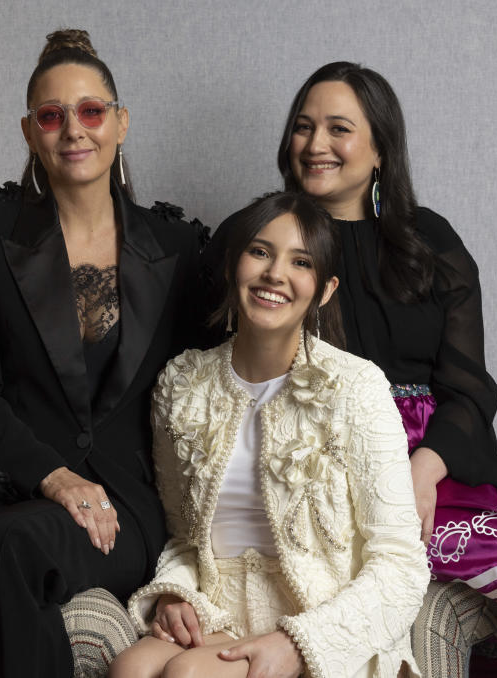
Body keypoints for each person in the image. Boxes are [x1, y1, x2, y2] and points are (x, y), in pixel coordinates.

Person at [205, 62, 497, 678]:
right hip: (310, 457)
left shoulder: (429, 242)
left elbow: (470, 390)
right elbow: (211, 378)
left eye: (339, 128)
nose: (315, 144)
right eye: (303, 127)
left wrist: (425, 469)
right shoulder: (254, 239)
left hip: (430, 456)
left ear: (381, 147)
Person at [0, 29, 204, 678]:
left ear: (121, 123)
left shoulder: (180, 250)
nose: (74, 130)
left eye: (92, 111)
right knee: (11, 575)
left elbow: (213, 400)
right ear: (29, 131)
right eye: (52, 115)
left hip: (118, 513)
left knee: (9, 550)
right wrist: (52, 475)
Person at [109, 192, 430, 678]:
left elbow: (401, 567)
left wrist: (298, 644)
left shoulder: (355, 387)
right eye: (259, 252)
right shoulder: (182, 384)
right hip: (222, 617)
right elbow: (184, 538)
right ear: (233, 265)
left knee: (187, 676)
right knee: (130, 670)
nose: (274, 273)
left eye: (300, 262)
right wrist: (176, 593)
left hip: (323, 629)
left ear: (324, 289)